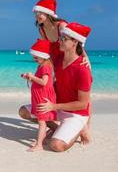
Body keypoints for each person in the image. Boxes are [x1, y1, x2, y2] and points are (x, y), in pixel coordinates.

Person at [19, 0, 92, 141]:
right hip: (55, 57)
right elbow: (45, 48)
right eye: (36, 13)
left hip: (67, 53)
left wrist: (85, 57)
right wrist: (44, 66)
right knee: (54, 87)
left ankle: (86, 128)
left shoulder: (61, 25)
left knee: (84, 92)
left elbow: (75, 41)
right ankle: (58, 125)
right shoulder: (41, 29)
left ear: (49, 13)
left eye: (40, 13)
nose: (37, 16)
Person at [37, 22, 92, 152]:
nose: (59, 41)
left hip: (76, 114)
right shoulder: (58, 58)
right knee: (25, 111)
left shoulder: (83, 70)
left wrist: (53, 106)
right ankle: (59, 128)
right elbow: (44, 64)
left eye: (64, 39)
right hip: (57, 109)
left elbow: (83, 104)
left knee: (56, 146)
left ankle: (80, 130)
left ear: (75, 42)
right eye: (60, 37)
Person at [21, 39, 56, 152]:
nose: (34, 59)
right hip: (39, 97)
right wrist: (29, 77)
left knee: (41, 122)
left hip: (42, 98)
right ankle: (42, 140)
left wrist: (32, 77)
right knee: (42, 121)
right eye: (33, 57)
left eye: (36, 57)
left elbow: (44, 82)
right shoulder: (41, 66)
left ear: (44, 56)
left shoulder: (45, 67)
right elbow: (39, 82)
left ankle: (39, 144)